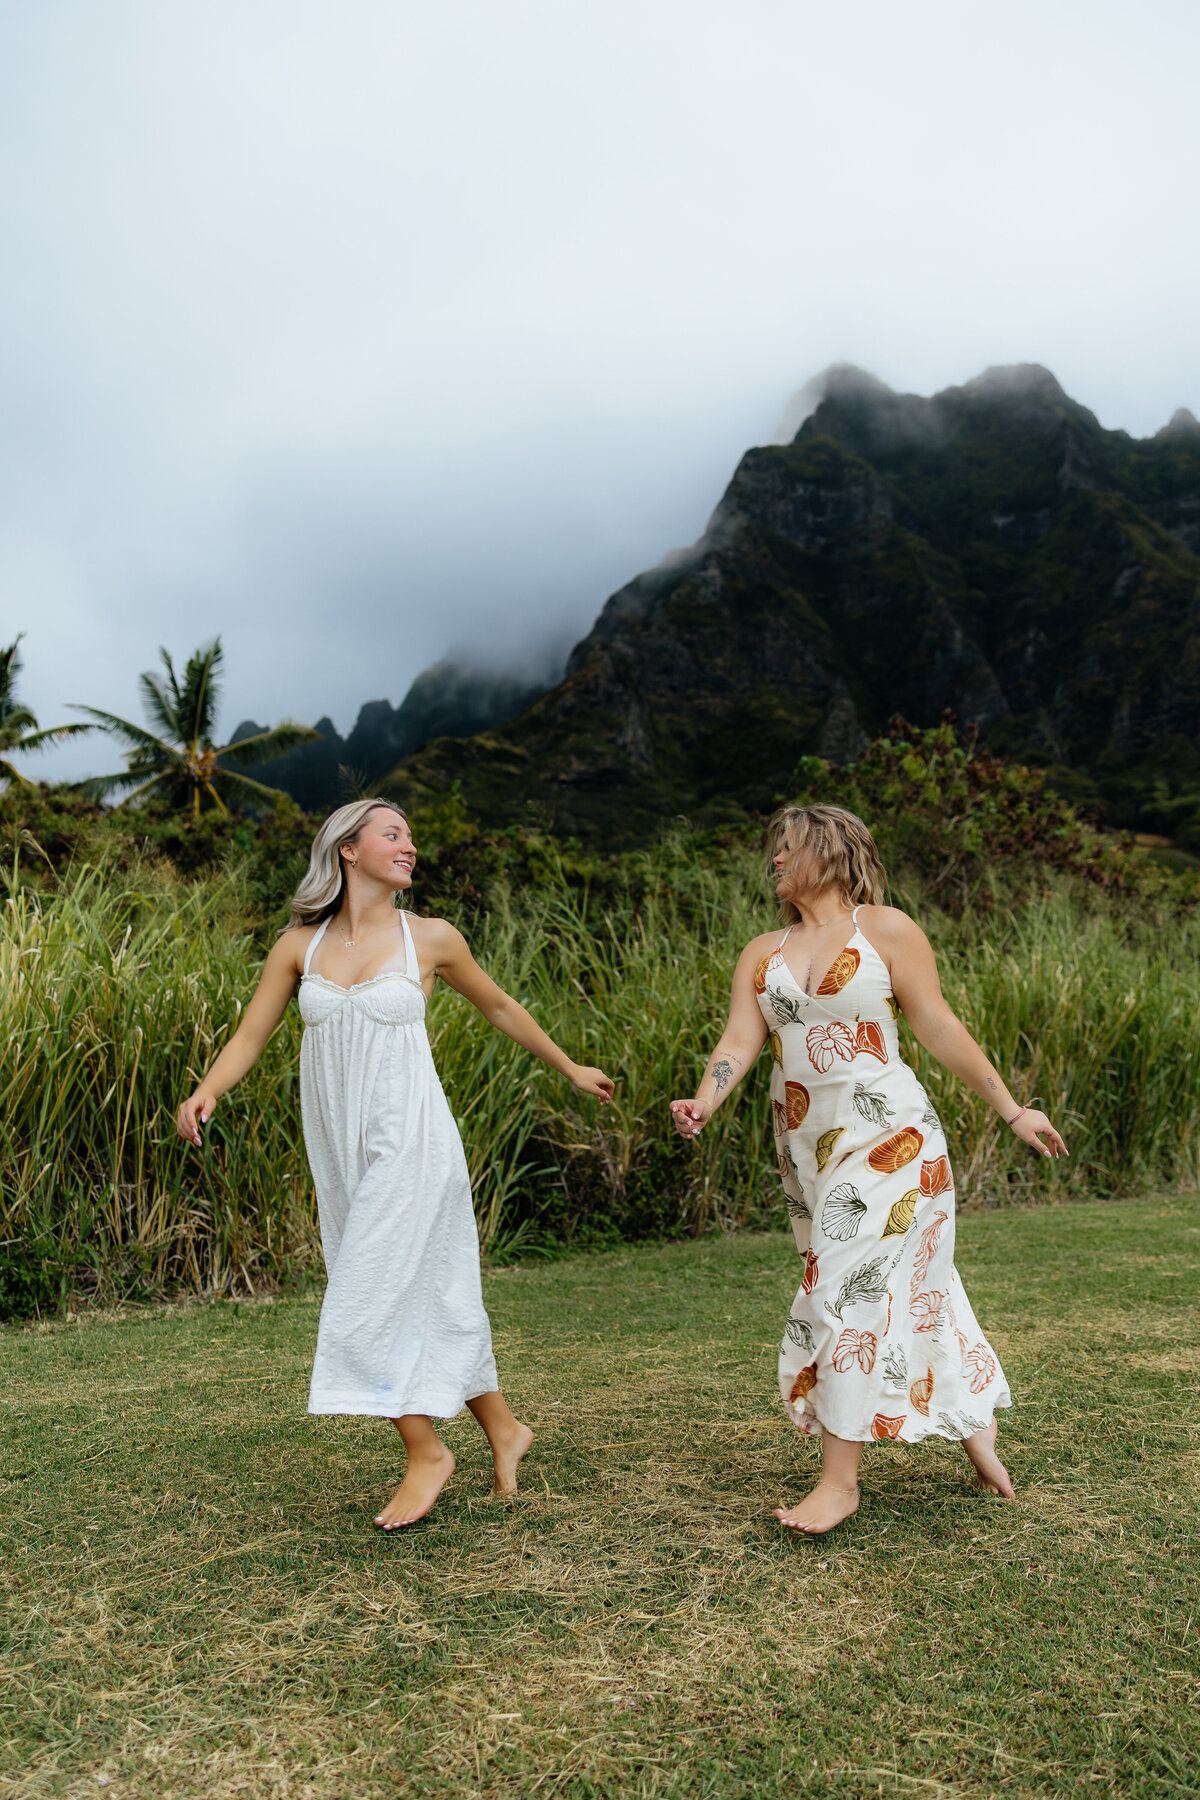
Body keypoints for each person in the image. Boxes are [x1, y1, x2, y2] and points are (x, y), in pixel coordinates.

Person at [177, 798, 614, 1530]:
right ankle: (505, 1430)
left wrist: (569, 1067)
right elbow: (252, 1034)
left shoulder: (433, 939)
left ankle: (426, 1452)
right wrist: (207, 1090)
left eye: (411, 835)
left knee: (364, 1296)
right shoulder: (298, 946)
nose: (409, 845)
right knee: (430, 1294)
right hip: (340, 1148)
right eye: (393, 833)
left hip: (413, 1139)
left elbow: (500, 1006)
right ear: (348, 849)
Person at [670, 803, 1066, 1535]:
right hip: (808, 1146)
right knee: (913, 1287)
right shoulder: (763, 949)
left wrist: (1013, 1111)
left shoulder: (885, 929)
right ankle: (976, 1428)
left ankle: (839, 1482)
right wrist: (704, 1100)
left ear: (828, 848)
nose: (775, 861)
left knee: (844, 1286)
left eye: (786, 847)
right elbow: (738, 1037)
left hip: (895, 1139)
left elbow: (937, 1024)